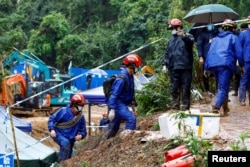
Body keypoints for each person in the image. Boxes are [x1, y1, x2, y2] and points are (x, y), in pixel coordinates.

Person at [204, 19, 244, 115]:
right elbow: (239, 53)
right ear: (233, 28)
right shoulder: (233, 38)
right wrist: (242, 66)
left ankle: (225, 109)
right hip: (225, 65)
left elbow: (209, 53)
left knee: (222, 86)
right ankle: (216, 107)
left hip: (213, 65)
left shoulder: (215, 39)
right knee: (223, 88)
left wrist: (206, 67)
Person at [103, 54, 142, 139]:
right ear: (132, 66)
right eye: (137, 67)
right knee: (131, 119)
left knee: (114, 125)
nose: (137, 69)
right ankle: (127, 141)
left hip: (122, 103)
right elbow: (114, 95)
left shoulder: (130, 76)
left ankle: (107, 141)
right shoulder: (121, 79)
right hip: (117, 103)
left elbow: (130, 91)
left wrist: (133, 105)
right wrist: (112, 109)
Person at [162, 18, 194, 111]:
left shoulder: (188, 36)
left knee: (185, 87)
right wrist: (165, 64)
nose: (172, 30)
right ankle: (174, 105)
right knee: (174, 87)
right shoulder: (171, 40)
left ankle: (184, 106)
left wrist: (183, 36)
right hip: (174, 67)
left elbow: (190, 42)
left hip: (185, 66)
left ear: (179, 27)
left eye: (173, 28)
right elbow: (168, 53)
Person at [48, 94, 87, 161]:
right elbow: (52, 119)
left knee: (68, 156)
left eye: (81, 107)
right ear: (73, 105)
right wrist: (52, 129)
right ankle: (61, 164)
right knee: (65, 143)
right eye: (78, 106)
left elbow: (84, 131)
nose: (80, 108)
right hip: (59, 133)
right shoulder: (63, 111)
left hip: (71, 139)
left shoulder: (81, 117)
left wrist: (81, 135)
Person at [197, 24, 218, 95]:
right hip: (206, 57)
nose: (210, 26)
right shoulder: (202, 34)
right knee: (205, 73)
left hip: (216, 56)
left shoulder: (217, 33)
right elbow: (199, 46)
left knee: (218, 73)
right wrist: (200, 56)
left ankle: (219, 90)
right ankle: (207, 90)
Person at [231, 22, 248, 96]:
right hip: (241, 58)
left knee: (241, 76)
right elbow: (238, 48)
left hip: (242, 58)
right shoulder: (240, 34)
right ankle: (237, 92)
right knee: (239, 75)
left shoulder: (240, 34)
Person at [238, 16, 250, 106]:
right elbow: (239, 48)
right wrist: (239, 61)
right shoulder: (243, 34)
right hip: (246, 61)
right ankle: (242, 99)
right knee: (244, 79)